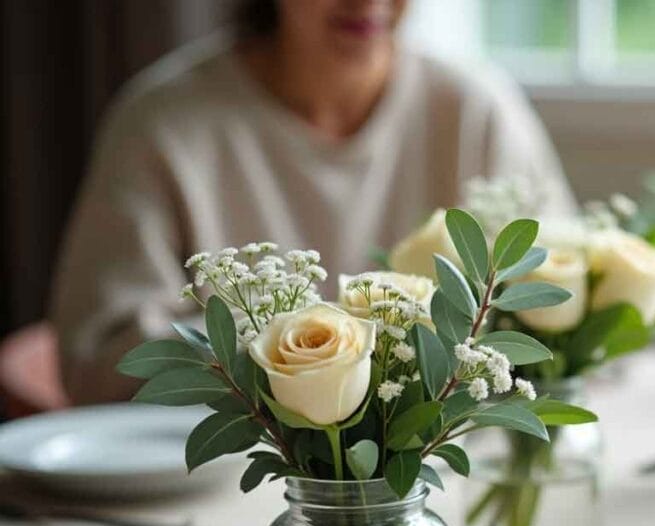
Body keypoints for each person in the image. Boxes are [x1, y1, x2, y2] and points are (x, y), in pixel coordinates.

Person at [51, 0, 574, 405]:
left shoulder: (475, 112)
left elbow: (563, 308)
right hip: (218, 490)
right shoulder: (162, 125)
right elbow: (96, 363)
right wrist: (295, 367)